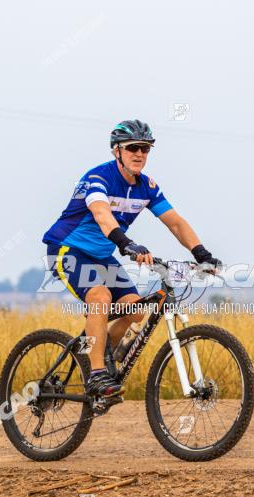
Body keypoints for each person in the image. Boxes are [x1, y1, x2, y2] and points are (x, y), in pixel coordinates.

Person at [42, 119, 222, 398]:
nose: (140, 154)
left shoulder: (146, 187)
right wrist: (127, 245)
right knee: (100, 298)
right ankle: (97, 373)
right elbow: (102, 215)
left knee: (136, 309)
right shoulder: (98, 178)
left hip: (102, 255)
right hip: (67, 249)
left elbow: (175, 222)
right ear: (117, 151)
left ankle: (101, 351)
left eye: (146, 149)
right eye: (133, 148)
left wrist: (202, 254)